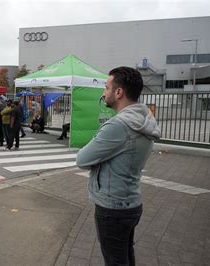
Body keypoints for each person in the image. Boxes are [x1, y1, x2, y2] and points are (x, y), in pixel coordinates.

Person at [76, 67, 161, 266]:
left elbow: (82, 159)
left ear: (119, 92)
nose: (103, 93)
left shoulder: (118, 126)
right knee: (125, 255)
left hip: (112, 208)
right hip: (131, 202)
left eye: (106, 88)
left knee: (115, 260)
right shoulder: (144, 119)